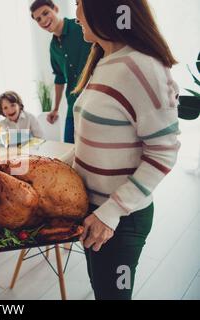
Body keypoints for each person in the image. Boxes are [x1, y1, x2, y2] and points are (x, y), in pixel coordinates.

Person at [73, 0, 180, 299]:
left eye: (80, 4)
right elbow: (91, 143)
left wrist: (112, 212)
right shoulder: (105, 59)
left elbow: (164, 151)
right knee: (103, 292)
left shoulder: (141, 66)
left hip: (120, 217)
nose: (76, 14)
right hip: (94, 211)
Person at [30, 0, 91, 143]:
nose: (43, 20)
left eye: (45, 13)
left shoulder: (79, 26)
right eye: (38, 19)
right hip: (73, 105)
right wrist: (55, 109)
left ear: (55, 9)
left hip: (93, 99)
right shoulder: (53, 47)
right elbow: (59, 78)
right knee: (69, 147)